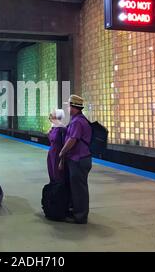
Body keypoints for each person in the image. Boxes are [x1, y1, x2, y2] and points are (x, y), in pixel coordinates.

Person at [59, 95, 92, 225]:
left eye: (69, 105)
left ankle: (80, 216)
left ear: (74, 107)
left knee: (79, 189)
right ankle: (77, 211)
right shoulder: (77, 119)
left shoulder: (78, 121)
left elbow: (72, 139)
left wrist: (62, 152)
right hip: (78, 159)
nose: (67, 108)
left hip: (78, 159)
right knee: (77, 187)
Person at [47, 109, 67, 183]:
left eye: (53, 113)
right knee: (51, 174)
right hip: (51, 153)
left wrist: (62, 160)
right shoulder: (53, 127)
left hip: (58, 154)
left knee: (58, 175)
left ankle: (59, 192)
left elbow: (64, 145)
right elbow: (51, 140)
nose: (51, 114)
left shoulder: (62, 128)